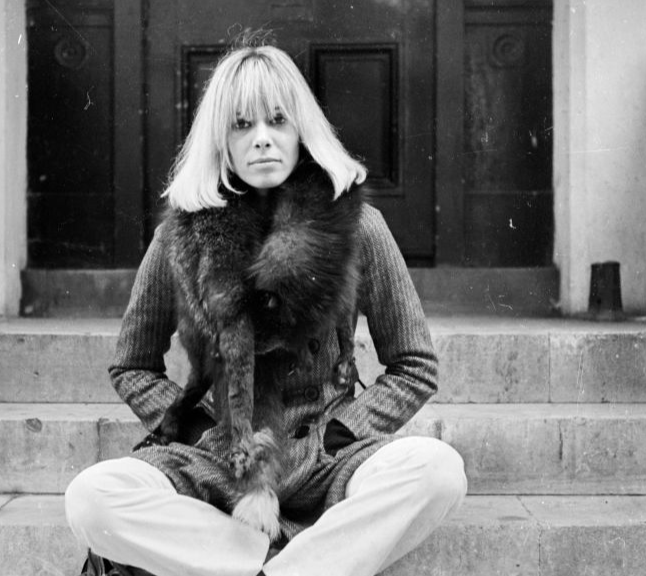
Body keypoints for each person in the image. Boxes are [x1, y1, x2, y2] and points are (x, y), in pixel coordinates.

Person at [64, 41, 467, 576]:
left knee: (438, 471)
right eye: (241, 125)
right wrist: (196, 428)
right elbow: (131, 364)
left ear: (301, 129)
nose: (262, 140)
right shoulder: (178, 238)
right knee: (91, 497)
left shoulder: (357, 227)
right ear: (220, 140)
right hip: (220, 456)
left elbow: (416, 365)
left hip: (326, 453)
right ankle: (261, 562)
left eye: (278, 120)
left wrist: (345, 429)